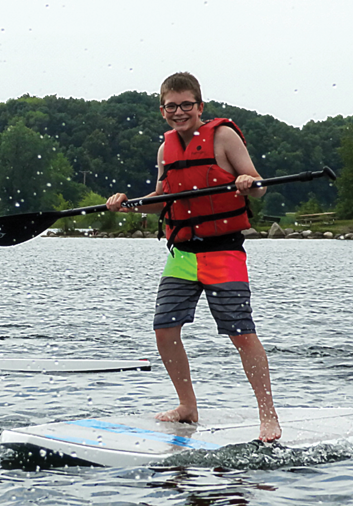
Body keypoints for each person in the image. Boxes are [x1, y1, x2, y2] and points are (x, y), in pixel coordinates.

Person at [105, 72, 281, 442]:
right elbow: (160, 203)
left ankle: (269, 417)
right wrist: (128, 206)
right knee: (164, 329)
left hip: (224, 252)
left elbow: (260, 190)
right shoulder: (164, 149)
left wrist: (251, 184)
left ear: (200, 106)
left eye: (187, 105)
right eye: (172, 106)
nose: (180, 112)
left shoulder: (223, 137)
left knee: (241, 334)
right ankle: (187, 406)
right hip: (183, 254)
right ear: (162, 110)